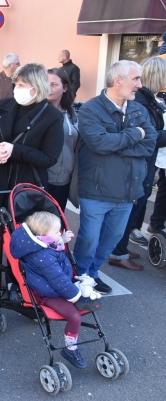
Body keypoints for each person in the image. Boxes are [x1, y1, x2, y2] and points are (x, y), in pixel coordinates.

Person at [0, 63, 64, 310]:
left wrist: (15, 151)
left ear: (36, 88)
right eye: (16, 84)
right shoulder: (4, 106)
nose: (16, 89)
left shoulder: (52, 117)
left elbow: (49, 158)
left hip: (26, 190)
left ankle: (17, 284)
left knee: (24, 240)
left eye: (21, 85)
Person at [74, 60, 157, 294]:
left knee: (113, 238)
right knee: (89, 238)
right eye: (136, 79)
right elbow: (99, 143)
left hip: (128, 190)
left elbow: (149, 145)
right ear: (117, 80)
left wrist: (117, 144)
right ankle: (82, 274)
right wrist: (133, 135)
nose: (140, 85)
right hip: (97, 189)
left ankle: (93, 272)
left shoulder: (138, 109)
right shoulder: (91, 108)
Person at [10, 212, 101, 370]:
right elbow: (57, 279)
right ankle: (70, 349)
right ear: (42, 233)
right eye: (56, 231)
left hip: (60, 287)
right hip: (48, 294)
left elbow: (53, 245)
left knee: (88, 305)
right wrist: (75, 296)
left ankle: (73, 340)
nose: (60, 233)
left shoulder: (44, 243)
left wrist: (62, 240)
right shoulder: (41, 255)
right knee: (75, 317)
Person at [109, 57, 166, 270]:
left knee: (133, 209)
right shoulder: (141, 102)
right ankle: (118, 252)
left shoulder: (148, 99)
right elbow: (148, 136)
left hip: (145, 162)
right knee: (129, 210)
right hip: (139, 163)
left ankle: (120, 248)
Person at [45, 68, 79, 212]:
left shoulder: (73, 114)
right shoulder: (38, 112)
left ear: (65, 88)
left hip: (64, 180)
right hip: (42, 179)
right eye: (46, 83)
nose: (49, 88)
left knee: (56, 222)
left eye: (54, 84)